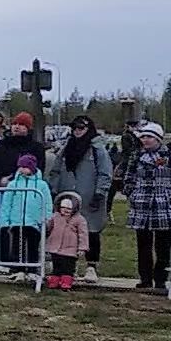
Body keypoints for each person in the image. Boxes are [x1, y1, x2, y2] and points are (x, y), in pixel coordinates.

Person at [0, 111, 47, 278]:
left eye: (21, 124)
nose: (17, 127)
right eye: (15, 124)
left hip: (23, 195)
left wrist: (14, 180)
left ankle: (23, 264)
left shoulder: (36, 148)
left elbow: (37, 168)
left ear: (28, 128)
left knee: (22, 230)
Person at [48, 114, 113, 285]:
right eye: (74, 128)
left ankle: (91, 266)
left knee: (91, 231)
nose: (77, 131)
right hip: (67, 197)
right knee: (66, 233)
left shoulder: (97, 149)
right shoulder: (66, 148)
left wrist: (100, 192)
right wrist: (54, 189)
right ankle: (68, 267)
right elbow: (55, 170)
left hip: (90, 196)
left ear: (88, 129)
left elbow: (105, 172)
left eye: (81, 128)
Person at [123, 123, 171, 290]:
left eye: (149, 137)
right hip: (141, 204)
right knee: (143, 244)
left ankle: (161, 279)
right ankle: (145, 278)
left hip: (163, 204)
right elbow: (129, 176)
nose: (145, 140)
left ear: (158, 139)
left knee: (163, 245)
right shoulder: (136, 156)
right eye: (143, 137)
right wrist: (131, 193)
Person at [0, 154, 52, 279]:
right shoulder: (13, 184)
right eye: (20, 167)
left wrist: (46, 218)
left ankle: (33, 270)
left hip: (34, 222)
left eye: (25, 167)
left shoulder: (42, 185)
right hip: (16, 221)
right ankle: (19, 269)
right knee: (17, 246)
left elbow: (47, 203)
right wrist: (5, 221)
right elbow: (7, 203)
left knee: (33, 246)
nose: (22, 169)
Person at [44, 193, 90, 291]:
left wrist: (82, 248)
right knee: (57, 265)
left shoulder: (79, 219)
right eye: (63, 208)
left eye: (69, 209)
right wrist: (45, 224)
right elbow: (48, 227)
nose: (65, 210)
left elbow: (83, 234)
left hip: (70, 249)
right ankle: (55, 280)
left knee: (68, 267)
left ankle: (66, 282)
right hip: (55, 247)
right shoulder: (55, 217)